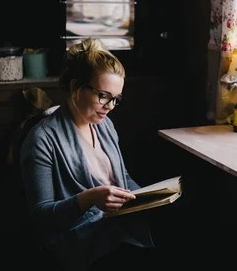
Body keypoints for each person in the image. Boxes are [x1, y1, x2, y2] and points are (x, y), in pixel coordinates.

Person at [20, 38, 156, 271]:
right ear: (75, 87)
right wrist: (88, 199)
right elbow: (42, 216)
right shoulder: (42, 139)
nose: (110, 106)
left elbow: (120, 175)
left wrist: (146, 198)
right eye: (103, 96)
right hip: (76, 237)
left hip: (114, 225)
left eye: (116, 99)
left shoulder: (105, 126)